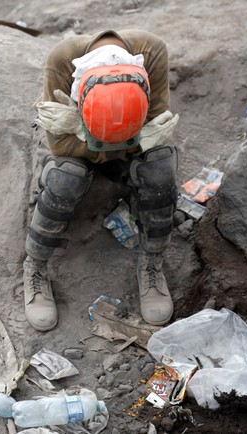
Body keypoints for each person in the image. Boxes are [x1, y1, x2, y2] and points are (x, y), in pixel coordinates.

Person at [24, 29, 180, 331]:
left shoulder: (153, 52)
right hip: (76, 141)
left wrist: (124, 137)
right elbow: (59, 143)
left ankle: (151, 262)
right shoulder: (63, 59)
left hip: (125, 140)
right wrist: (87, 130)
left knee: (160, 167)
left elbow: (158, 119)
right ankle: (35, 265)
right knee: (66, 178)